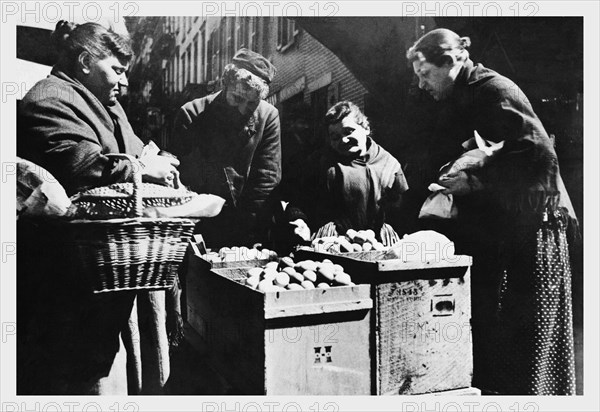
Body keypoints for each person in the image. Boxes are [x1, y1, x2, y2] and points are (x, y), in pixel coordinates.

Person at [406, 28, 578, 395]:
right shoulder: (467, 94)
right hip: (509, 229)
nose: (421, 85)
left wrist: (476, 184)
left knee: (527, 334)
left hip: (534, 228)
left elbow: (538, 155)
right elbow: (494, 146)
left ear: (451, 61)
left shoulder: (492, 90)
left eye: (424, 74)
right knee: (503, 334)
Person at [17, 21, 179, 395]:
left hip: (105, 276)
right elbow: (79, 165)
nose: (123, 82)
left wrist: (159, 165)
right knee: (76, 377)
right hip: (66, 278)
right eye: (117, 70)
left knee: (105, 369)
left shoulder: (105, 103)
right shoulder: (49, 97)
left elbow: (134, 150)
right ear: (86, 61)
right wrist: (140, 167)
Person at [171, 48, 281, 248]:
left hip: (248, 223)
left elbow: (266, 178)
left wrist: (250, 232)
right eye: (237, 98)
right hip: (200, 223)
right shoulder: (191, 113)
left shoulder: (268, 116)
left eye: (252, 103)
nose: (242, 109)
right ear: (224, 84)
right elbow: (184, 179)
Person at [275, 101, 408, 251]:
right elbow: (297, 201)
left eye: (348, 131)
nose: (343, 140)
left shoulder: (389, 164)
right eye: (335, 137)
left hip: (379, 244)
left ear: (366, 128)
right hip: (331, 243)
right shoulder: (318, 163)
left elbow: (402, 211)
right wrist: (299, 220)